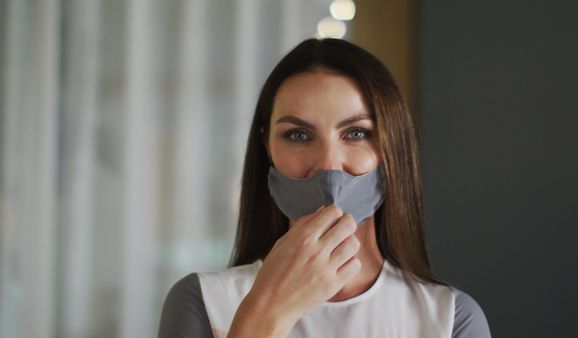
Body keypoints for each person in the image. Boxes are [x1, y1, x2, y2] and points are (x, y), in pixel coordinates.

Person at [158, 38, 491, 338]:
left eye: (356, 133)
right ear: (266, 146)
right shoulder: (201, 301)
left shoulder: (451, 320)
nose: (329, 166)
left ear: (391, 148)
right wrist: (268, 313)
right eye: (299, 135)